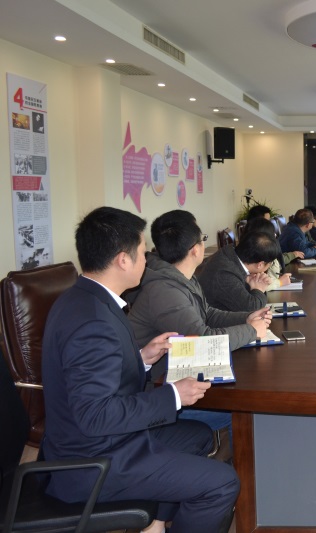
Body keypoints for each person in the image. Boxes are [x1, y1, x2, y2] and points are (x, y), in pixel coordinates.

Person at [41, 206, 239, 533]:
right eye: (143, 252)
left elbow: (98, 375)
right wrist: (174, 396)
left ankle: (155, 524)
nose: (148, 259)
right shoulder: (92, 321)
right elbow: (95, 415)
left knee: (198, 436)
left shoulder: (86, 299)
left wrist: (143, 357)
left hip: (105, 440)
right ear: (123, 260)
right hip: (93, 461)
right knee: (221, 483)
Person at [126, 210, 273, 381]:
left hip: (176, 368)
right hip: (156, 381)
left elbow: (207, 313)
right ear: (195, 250)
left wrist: (246, 318)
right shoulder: (164, 290)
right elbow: (202, 341)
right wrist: (251, 331)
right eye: (203, 239)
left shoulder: (181, 275)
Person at [197, 229, 282, 312]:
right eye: (270, 263)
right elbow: (251, 309)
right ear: (260, 264)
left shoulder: (231, 255)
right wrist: (259, 289)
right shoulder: (225, 273)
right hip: (212, 320)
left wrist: (252, 285)